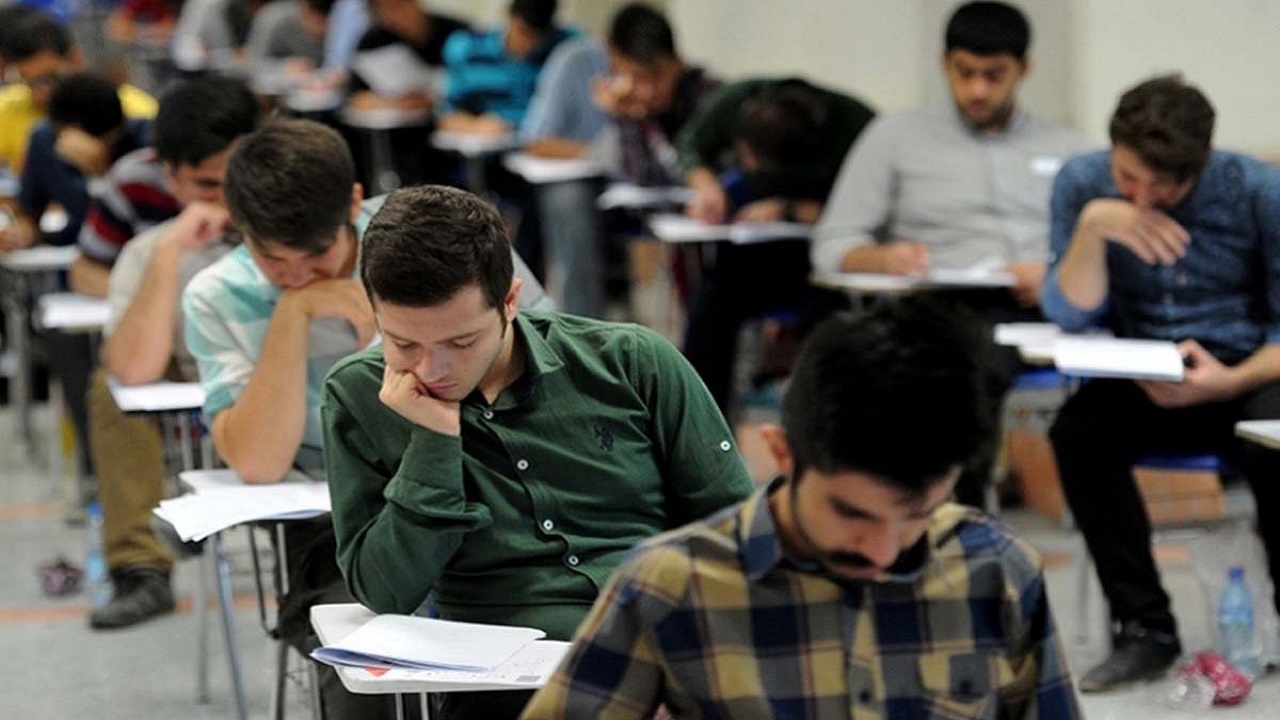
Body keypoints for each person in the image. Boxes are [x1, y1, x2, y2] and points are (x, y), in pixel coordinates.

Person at [519, 299, 1081, 720]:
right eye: (852, 514)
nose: (883, 551)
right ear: (782, 453)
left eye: (918, 515)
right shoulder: (671, 587)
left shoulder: (997, 569)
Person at [321, 184, 755, 719]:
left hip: (663, 650)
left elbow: (735, 536)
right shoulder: (359, 396)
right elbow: (383, 591)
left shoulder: (632, 362)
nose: (433, 370)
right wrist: (433, 443)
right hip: (497, 685)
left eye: (461, 343)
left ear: (510, 301)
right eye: (404, 344)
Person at [182, 118, 551, 718]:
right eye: (274, 260)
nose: (299, 273)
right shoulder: (218, 294)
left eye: (317, 255)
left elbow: (549, 359)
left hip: (496, 485)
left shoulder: (440, 239)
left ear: (354, 204)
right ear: (240, 229)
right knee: (370, 680)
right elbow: (257, 462)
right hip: (341, 521)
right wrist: (294, 314)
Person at [1043, 74, 1280, 692]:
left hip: (1245, 371)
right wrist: (1094, 227)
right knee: (1078, 431)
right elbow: (1069, 314)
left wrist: (1228, 380)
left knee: (1275, 434)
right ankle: (1145, 628)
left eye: (1165, 187)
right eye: (1128, 177)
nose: (1143, 199)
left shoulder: (1257, 190)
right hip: (1144, 371)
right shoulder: (1083, 184)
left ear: (1200, 165)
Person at [809, 0, 1091, 507]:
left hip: (1044, 305)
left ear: (1023, 70)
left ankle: (963, 504)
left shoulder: (1073, 150)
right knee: (963, 361)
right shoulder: (895, 137)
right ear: (945, 64)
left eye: (994, 75)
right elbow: (832, 245)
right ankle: (959, 502)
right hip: (940, 303)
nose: (977, 89)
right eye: (964, 73)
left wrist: (1055, 274)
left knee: (981, 361)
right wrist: (883, 259)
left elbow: (1105, 253)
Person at [82, 76, 259, 630]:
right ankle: (140, 565)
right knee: (111, 388)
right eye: (208, 186)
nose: (227, 199)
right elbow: (131, 368)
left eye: (238, 179)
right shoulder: (147, 241)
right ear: (169, 176)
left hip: (285, 385)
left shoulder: (297, 219)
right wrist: (168, 253)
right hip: (197, 374)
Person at [677, 77, 875, 412]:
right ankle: (701, 424)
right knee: (710, 303)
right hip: (752, 251)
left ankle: (819, 426)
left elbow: (870, 212)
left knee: (830, 324)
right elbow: (691, 146)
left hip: (823, 263)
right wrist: (707, 186)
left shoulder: (859, 128)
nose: (748, 167)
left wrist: (794, 209)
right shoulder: (736, 103)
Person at [0, 12, 155, 174]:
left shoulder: (134, 109)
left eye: (49, 79)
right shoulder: (5, 107)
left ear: (75, 59)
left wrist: (103, 165)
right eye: (30, 83)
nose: (41, 94)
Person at [437, 0, 575, 135]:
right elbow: (447, 115)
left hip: (543, 141)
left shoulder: (567, 48)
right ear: (508, 16)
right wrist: (475, 126)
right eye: (523, 32)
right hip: (486, 138)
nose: (528, 44)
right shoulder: (467, 48)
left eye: (538, 37)